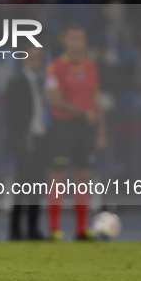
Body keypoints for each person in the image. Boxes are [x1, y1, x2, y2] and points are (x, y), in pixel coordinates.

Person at [45, 26, 106, 241]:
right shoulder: (55, 67)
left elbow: (96, 98)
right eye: (72, 38)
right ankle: (55, 229)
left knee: (83, 177)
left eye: (79, 38)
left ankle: (81, 229)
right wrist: (83, 113)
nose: (75, 42)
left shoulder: (90, 66)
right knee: (59, 176)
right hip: (63, 126)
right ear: (65, 40)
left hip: (85, 129)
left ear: (84, 42)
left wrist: (101, 129)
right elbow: (56, 99)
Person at [6, 46, 47, 240]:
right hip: (25, 141)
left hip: (41, 141)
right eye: (31, 58)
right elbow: (10, 115)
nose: (35, 62)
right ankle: (15, 230)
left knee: (37, 186)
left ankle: (33, 229)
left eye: (38, 58)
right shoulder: (17, 82)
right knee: (22, 187)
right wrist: (18, 139)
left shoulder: (43, 82)